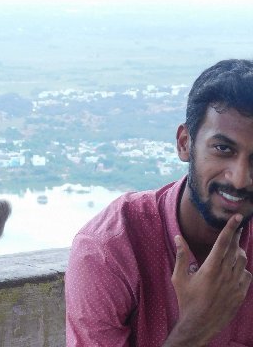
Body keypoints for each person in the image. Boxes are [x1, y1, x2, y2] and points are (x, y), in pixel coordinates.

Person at [65, 59, 253, 346]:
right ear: (184, 144)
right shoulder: (108, 251)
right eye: (223, 149)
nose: (240, 179)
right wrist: (194, 329)